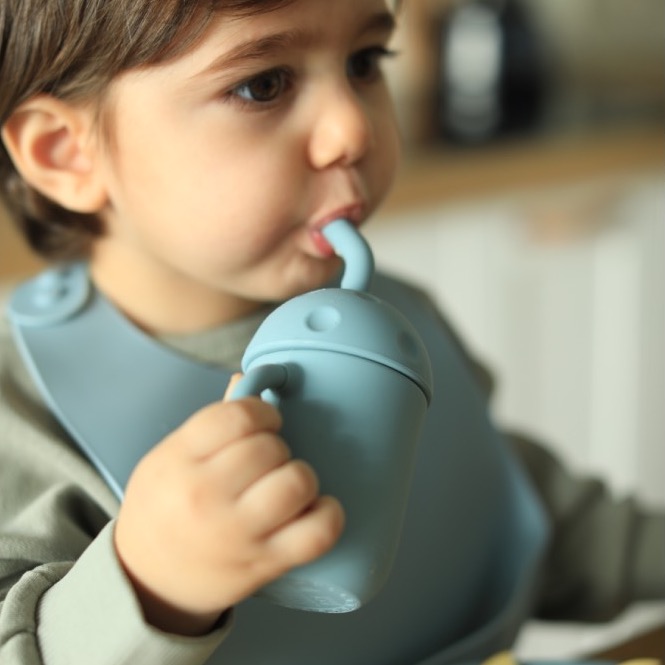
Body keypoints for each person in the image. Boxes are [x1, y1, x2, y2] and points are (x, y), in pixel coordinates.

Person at [0, 1, 662, 663]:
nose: (353, 129)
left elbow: (505, 512)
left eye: (364, 62)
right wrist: (151, 587)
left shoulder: (401, 320)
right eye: (262, 85)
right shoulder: (19, 414)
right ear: (66, 154)